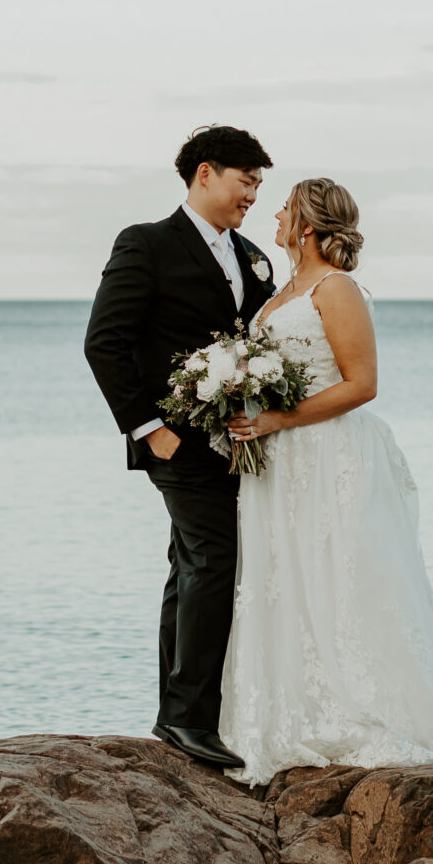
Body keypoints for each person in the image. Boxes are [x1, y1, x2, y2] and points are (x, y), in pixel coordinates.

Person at [219, 177, 433, 782]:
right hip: (278, 458)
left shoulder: (336, 289)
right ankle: (284, 715)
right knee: (283, 574)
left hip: (324, 451)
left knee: (339, 571)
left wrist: (275, 418)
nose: (275, 214)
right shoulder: (279, 290)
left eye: (284, 207)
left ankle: (357, 707)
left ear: (307, 227)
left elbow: (361, 383)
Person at [82, 125, 278, 768]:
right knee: (212, 561)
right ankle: (191, 720)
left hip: (235, 441)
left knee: (191, 567)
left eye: (257, 185)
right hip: (174, 440)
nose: (252, 194)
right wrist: (148, 428)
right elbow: (104, 342)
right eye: (245, 181)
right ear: (204, 173)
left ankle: (178, 715)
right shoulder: (146, 244)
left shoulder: (253, 256)